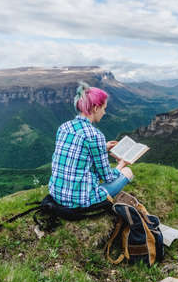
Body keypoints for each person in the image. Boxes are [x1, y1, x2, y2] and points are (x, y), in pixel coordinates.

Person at [48, 82, 133, 211]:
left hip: (56, 194)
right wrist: (121, 164)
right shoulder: (94, 135)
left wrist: (102, 147)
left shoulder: (64, 127)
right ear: (95, 108)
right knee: (127, 173)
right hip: (80, 201)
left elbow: (78, 150)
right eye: (104, 108)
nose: (104, 112)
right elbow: (108, 177)